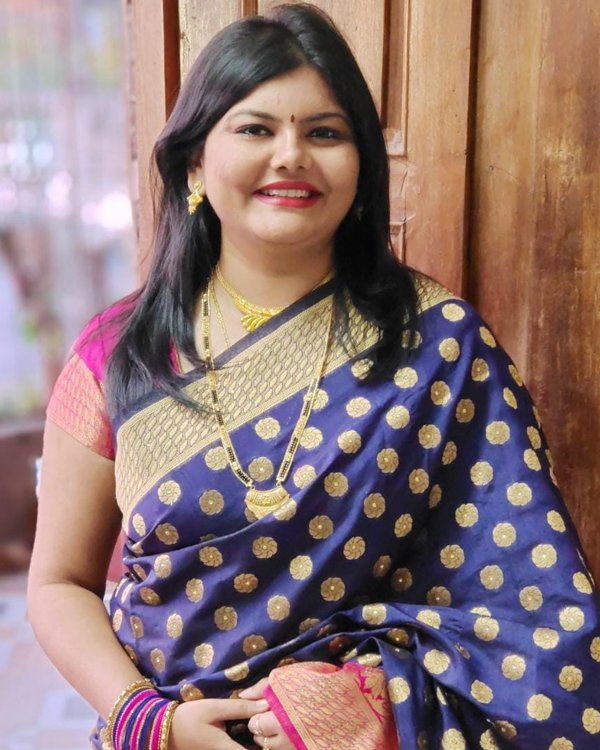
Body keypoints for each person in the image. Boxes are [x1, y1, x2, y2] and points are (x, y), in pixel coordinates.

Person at [27, 4, 600, 750]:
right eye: (255, 129)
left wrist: (377, 701)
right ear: (194, 163)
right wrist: (150, 721)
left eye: (325, 133)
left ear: (361, 167)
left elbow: (535, 620)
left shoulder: (440, 345)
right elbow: (58, 584)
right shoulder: (118, 354)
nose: (291, 155)